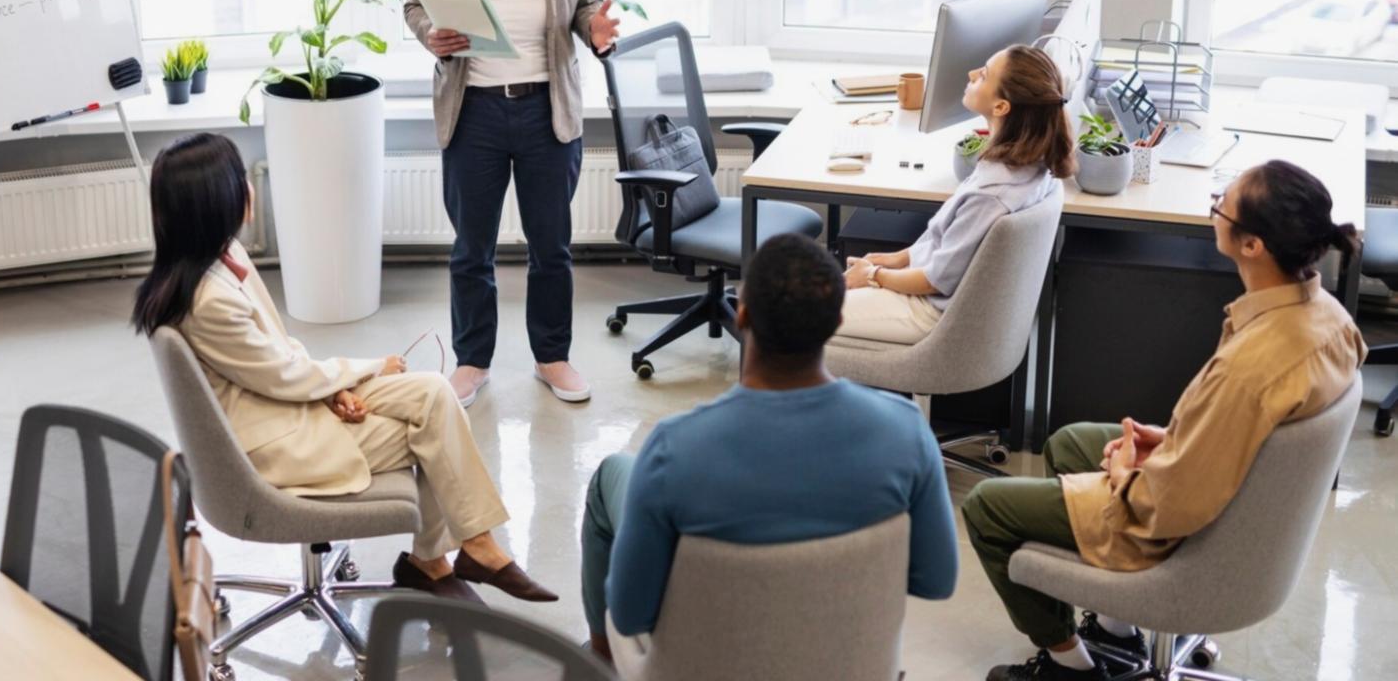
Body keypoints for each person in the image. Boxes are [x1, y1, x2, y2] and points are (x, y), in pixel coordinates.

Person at [965, 159, 1365, 681]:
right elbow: (1243, 434)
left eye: (1222, 202)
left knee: (987, 509)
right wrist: (1174, 441)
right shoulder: (1327, 317)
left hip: (1187, 526)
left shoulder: (1251, 369)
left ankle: (1071, 668)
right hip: (1237, 492)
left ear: (1253, 246)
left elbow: (1169, 505)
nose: (1214, 206)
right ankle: (1116, 628)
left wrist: (1125, 472)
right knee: (1069, 444)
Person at [132, 133, 556, 604]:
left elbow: (276, 354)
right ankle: (452, 556)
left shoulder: (223, 259)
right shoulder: (208, 300)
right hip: (275, 438)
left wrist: (334, 390)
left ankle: (453, 554)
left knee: (434, 393)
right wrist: (367, 370)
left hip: (286, 400)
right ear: (217, 200)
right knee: (434, 429)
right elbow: (280, 376)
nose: (249, 189)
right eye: (239, 179)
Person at [579, 233, 958, 661]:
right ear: (836, 322)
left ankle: (598, 657)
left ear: (741, 315)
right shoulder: (907, 435)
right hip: (843, 667)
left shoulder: (674, 449)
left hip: (705, 668)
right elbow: (936, 579)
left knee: (611, 472)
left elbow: (630, 615)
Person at [404, 0, 621, 408]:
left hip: (546, 108)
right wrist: (430, 35)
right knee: (471, 249)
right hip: (472, 108)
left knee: (551, 247)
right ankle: (472, 363)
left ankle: (552, 357)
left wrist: (595, 30)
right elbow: (414, 4)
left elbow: (587, 2)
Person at [840, 43, 1074, 344]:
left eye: (984, 75)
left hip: (925, 312)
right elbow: (948, 249)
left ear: (1001, 106)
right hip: (925, 291)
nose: (972, 73)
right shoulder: (1029, 168)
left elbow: (935, 280)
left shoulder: (991, 195)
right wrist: (896, 259)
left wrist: (873, 275)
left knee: (786, 314)